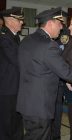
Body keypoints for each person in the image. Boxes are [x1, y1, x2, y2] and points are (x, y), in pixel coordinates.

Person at [16, 7, 72, 140]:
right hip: (40, 105)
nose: (62, 29)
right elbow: (64, 70)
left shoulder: (27, 40)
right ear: (50, 23)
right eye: (60, 24)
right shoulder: (48, 45)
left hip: (26, 101)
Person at [0, 8, 24, 140]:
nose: (22, 22)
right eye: (19, 20)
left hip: (15, 88)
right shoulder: (3, 38)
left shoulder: (14, 37)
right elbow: (17, 60)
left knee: (15, 121)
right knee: (5, 125)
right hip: (6, 90)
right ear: (10, 21)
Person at [52, 10, 70, 140]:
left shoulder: (66, 33)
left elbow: (66, 57)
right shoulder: (49, 33)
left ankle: (55, 135)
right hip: (48, 77)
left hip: (59, 78)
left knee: (57, 109)